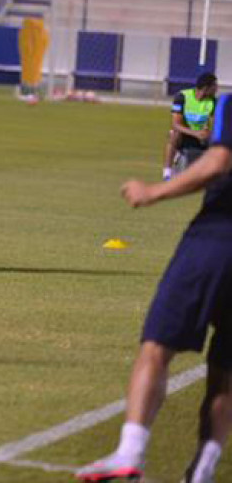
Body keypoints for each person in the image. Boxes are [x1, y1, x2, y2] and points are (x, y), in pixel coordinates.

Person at [76, 93, 232, 483]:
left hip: (216, 241)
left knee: (157, 346)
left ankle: (129, 453)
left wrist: (154, 192)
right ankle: (203, 469)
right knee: (226, 372)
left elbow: (219, 162)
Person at [163, 72, 218, 180]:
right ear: (206, 88)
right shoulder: (182, 97)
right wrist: (195, 133)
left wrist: (209, 132)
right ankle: (167, 172)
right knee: (174, 134)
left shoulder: (213, 102)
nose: (216, 89)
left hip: (202, 136)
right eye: (214, 86)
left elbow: (217, 123)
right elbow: (176, 124)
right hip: (185, 134)